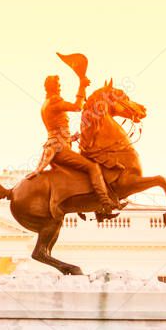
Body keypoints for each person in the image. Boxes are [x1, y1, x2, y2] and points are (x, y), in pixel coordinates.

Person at [27, 53, 118, 213]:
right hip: (61, 149)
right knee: (93, 167)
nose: (61, 87)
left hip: (59, 144)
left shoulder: (46, 104)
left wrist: (71, 137)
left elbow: (55, 130)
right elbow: (77, 106)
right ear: (53, 87)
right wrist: (82, 86)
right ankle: (104, 202)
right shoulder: (54, 102)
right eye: (59, 85)